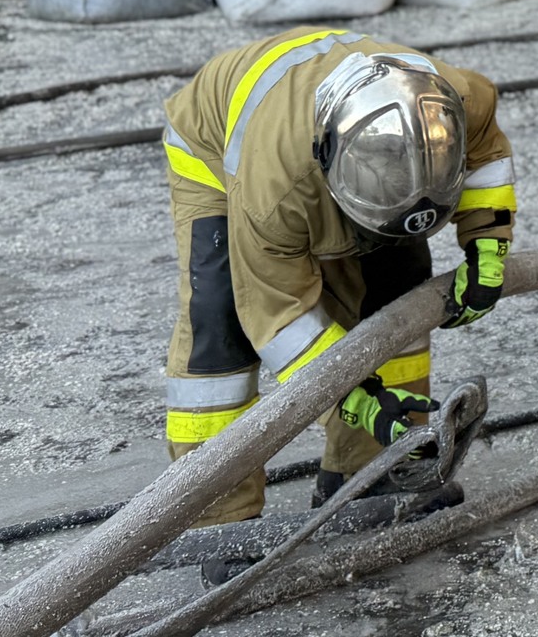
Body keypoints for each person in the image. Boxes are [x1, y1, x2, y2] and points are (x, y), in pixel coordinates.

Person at [160, 28, 517, 525]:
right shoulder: (275, 194)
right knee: (222, 326)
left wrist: (487, 247)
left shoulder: (451, 101)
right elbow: (277, 314)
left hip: (322, 146)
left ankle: (369, 469)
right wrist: (354, 399)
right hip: (215, 153)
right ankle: (216, 514)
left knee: (393, 286)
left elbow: (485, 152)